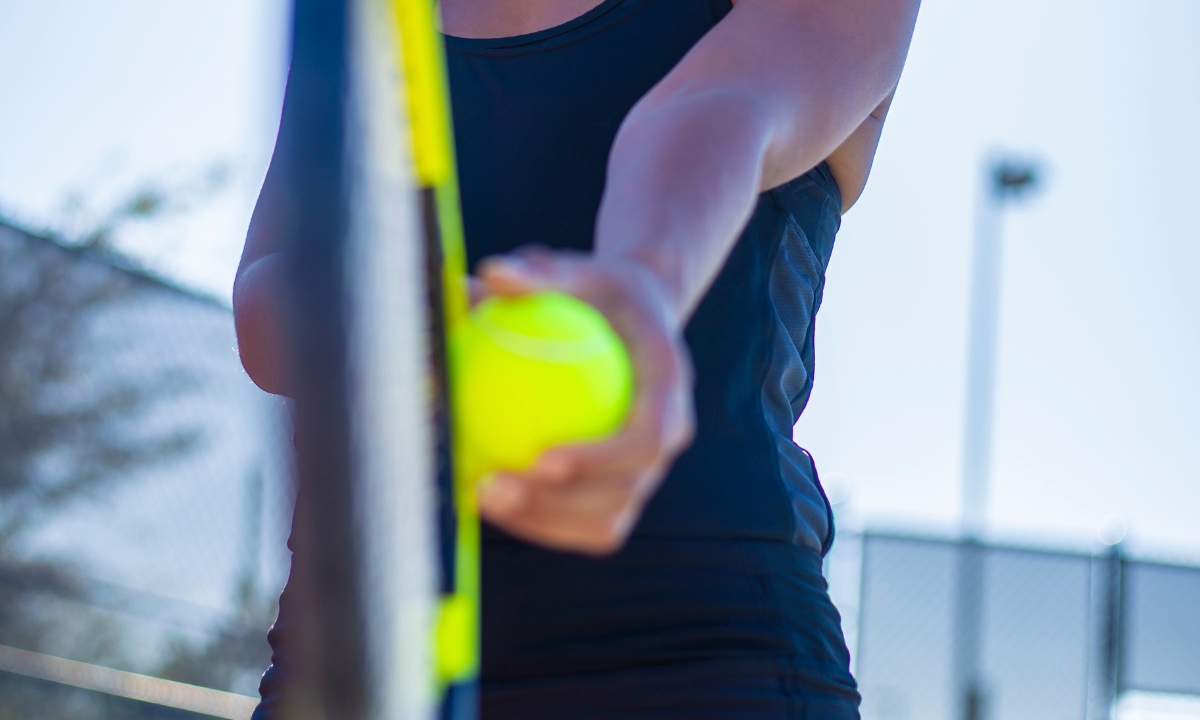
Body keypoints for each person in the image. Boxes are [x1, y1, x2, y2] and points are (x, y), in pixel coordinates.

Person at [235, 0, 920, 716]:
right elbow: (267, 293)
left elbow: (721, 103)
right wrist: (440, 320)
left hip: (705, 658)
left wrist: (641, 284)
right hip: (360, 652)